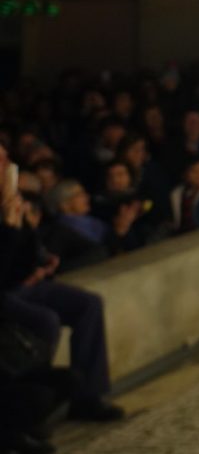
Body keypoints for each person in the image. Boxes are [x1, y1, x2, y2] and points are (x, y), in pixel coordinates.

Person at [0, 145, 124, 423]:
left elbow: (26, 248)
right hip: (6, 291)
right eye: (1, 161)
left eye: (6, 159)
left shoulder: (11, 199)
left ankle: (88, 397)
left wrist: (41, 262)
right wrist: (9, 226)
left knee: (88, 305)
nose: (7, 165)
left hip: (25, 283)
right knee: (45, 321)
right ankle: (33, 405)